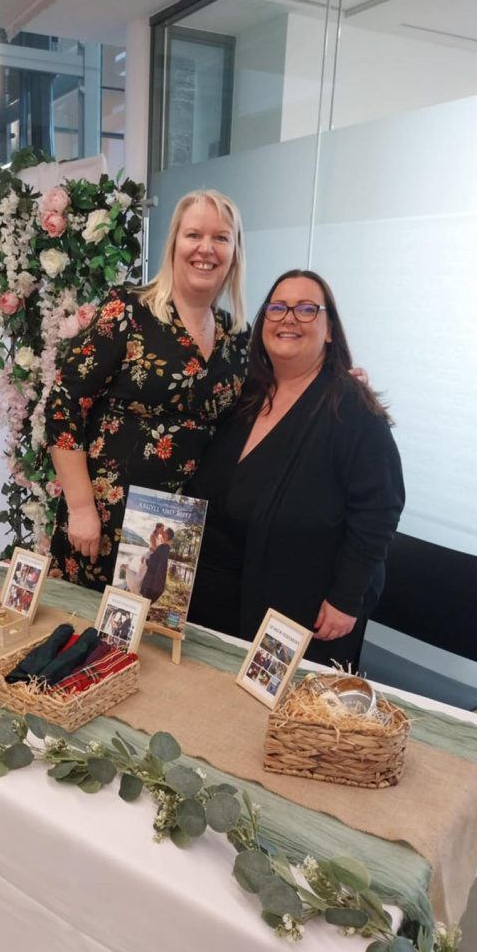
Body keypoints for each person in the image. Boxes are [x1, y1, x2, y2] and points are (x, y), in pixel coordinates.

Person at [187, 269, 404, 667]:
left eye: (306, 309)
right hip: (223, 603)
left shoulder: (351, 406)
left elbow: (379, 509)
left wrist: (346, 598)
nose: (289, 318)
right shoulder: (245, 394)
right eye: (277, 308)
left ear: (329, 330)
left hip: (304, 611)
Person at [46, 190, 250, 590]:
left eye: (221, 238)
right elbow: (64, 403)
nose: (206, 248)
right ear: (174, 243)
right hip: (105, 520)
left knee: (156, 628)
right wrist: (81, 506)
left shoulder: (238, 337)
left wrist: (341, 375)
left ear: (235, 252)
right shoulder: (129, 310)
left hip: (183, 532)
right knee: (86, 625)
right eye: (194, 235)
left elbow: (270, 400)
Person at [140, 527, 174, 603]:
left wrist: (146, 560)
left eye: (165, 532)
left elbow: (155, 562)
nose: (163, 533)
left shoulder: (164, 547)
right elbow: (157, 560)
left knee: (146, 599)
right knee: (146, 600)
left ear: (167, 536)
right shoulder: (165, 547)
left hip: (153, 580)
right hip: (155, 579)